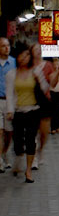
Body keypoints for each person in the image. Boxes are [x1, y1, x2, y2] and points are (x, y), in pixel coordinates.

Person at [5, 45, 49, 183]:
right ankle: (18, 158)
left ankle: (28, 170)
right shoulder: (12, 74)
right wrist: (10, 110)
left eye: (27, 55)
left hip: (33, 110)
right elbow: (10, 94)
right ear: (17, 57)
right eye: (22, 55)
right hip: (18, 112)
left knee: (31, 140)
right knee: (17, 141)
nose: (24, 58)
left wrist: (39, 79)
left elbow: (45, 88)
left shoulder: (35, 71)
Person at [31, 43, 53, 167]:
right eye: (35, 49)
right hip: (31, 99)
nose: (38, 51)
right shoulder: (28, 66)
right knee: (32, 130)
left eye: (39, 49)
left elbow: (52, 82)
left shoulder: (48, 65)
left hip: (45, 100)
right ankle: (33, 156)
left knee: (44, 132)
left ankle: (40, 150)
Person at [0, 37, 16, 172]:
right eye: (3, 46)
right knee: (0, 131)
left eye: (8, 45)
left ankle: (5, 153)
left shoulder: (13, 63)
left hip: (9, 100)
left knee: (8, 132)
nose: (6, 48)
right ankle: (0, 160)